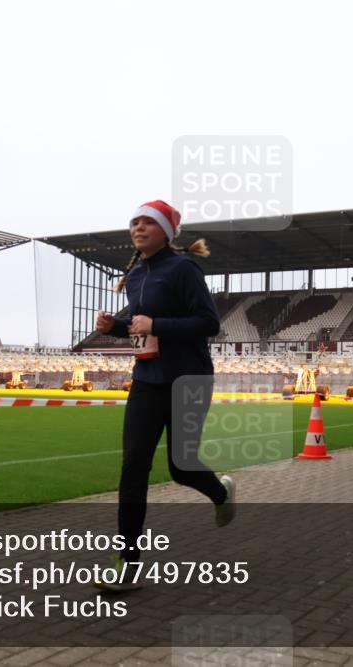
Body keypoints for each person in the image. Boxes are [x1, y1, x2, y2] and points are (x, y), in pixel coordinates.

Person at [94, 200, 234, 592]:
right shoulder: (137, 274)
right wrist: (115, 327)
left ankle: (221, 493)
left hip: (189, 378)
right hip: (147, 379)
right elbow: (141, 329)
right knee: (133, 467)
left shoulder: (184, 268)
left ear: (165, 231)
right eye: (133, 222)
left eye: (146, 222)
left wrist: (156, 322)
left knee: (181, 466)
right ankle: (128, 563)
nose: (137, 228)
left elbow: (209, 323)